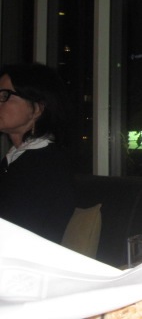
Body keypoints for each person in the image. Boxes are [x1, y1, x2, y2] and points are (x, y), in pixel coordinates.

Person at [0, 62, 76, 243]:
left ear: (37, 108)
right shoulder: (15, 160)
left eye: (5, 96)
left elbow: (20, 235)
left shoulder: (46, 164)